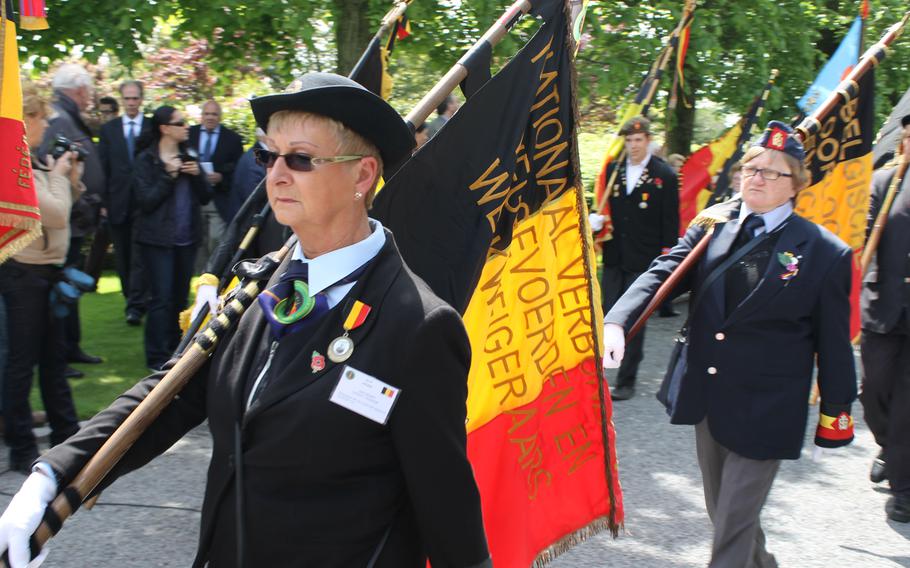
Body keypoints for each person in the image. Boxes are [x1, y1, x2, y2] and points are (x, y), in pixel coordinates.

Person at [0, 73, 491, 568]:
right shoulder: (261, 287)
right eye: (267, 156)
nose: (275, 175)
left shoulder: (419, 325)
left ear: (362, 176)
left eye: (300, 158)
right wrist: (48, 479)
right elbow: (170, 392)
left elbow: (445, 505)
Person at [602, 121, 857, 566]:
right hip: (709, 393)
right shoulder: (713, 223)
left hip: (769, 405)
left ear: (795, 184)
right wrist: (618, 321)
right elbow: (664, 272)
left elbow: (833, 343)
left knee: (732, 527)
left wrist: (836, 412)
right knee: (725, 514)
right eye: (750, 168)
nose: (755, 178)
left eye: (771, 172)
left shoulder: (823, 251)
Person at [0, 84, 83, 473]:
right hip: (25, 275)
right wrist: (59, 178)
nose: (46, 124)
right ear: (25, 118)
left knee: (53, 359)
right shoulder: (11, 163)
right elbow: (54, 214)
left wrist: (69, 175)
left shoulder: (30, 160)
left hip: (44, 272)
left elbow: (68, 200)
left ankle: (65, 436)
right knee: (22, 363)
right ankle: (21, 446)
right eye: (41, 117)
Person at [589, 115, 679, 400]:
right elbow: (605, 207)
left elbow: (670, 221)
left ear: (648, 140)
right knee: (606, 313)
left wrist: (668, 257)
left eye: (638, 140)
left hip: (645, 259)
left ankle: (627, 380)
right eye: (629, 140)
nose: (633, 145)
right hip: (616, 255)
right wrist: (596, 221)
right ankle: (599, 373)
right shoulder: (614, 171)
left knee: (634, 321)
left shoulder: (663, 174)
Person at [133, 106, 211, 370]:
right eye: (180, 123)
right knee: (161, 299)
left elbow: (205, 196)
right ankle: (155, 356)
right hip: (157, 241)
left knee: (178, 299)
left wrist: (197, 174)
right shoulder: (147, 160)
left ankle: (174, 351)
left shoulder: (189, 154)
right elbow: (145, 202)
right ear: (164, 128)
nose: (186, 127)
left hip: (186, 239)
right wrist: (168, 175)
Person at [860, 113, 910, 523]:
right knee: (874, 391)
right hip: (883, 307)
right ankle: (888, 444)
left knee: (908, 406)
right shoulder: (884, 183)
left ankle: (904, 488)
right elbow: (860, 243)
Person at [41, 63, 106, 369]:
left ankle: (70, 348)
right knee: (61, 291)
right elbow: (51, 165)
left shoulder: (67, 116)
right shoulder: (58, 118)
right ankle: (58, 355)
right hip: (65, 218)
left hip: (76, 216)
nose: (89, 97)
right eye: (88, 90)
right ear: (79, 89)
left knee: (71, 288)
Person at [98, 80, 151, 326]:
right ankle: (131, 299)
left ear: (141, 99)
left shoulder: (152, 128)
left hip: (145, 203)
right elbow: (103, 169)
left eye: (135, 98)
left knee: (142, 255)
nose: (131, 103)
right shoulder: (109, 130)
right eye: (127, 99)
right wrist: (103, 202)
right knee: (123, 256)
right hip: (117, 202)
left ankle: (138, 305)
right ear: (122, 100)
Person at [189, 100, 244, 270]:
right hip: (194, 196)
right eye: (206, 114)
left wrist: (221, 177)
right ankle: (200, 272)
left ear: (219, 117)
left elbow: (237, 168)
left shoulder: (232, 139)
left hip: (219, 197)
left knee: (216, 236)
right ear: (201, 116)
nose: (210, 117)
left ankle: (215, 269)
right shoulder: (190, 134)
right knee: (197, 237)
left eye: (214, 114)